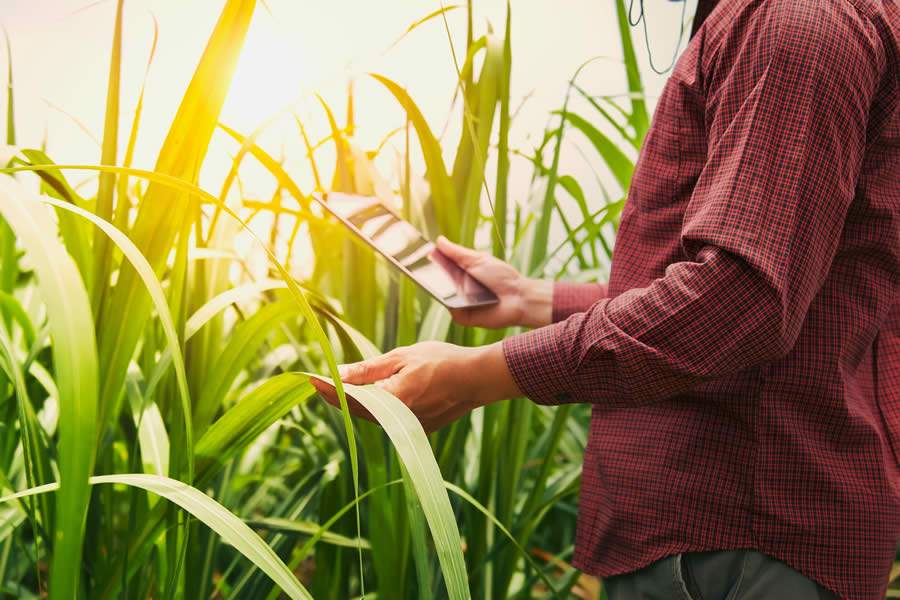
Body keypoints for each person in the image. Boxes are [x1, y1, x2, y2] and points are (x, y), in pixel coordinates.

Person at [312, 0, 900, 597]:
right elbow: (768, 291)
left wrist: (480, 376)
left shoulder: (800, 19)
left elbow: (739, 300)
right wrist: (528, 297)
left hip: (731, 537)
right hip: (726, 537)